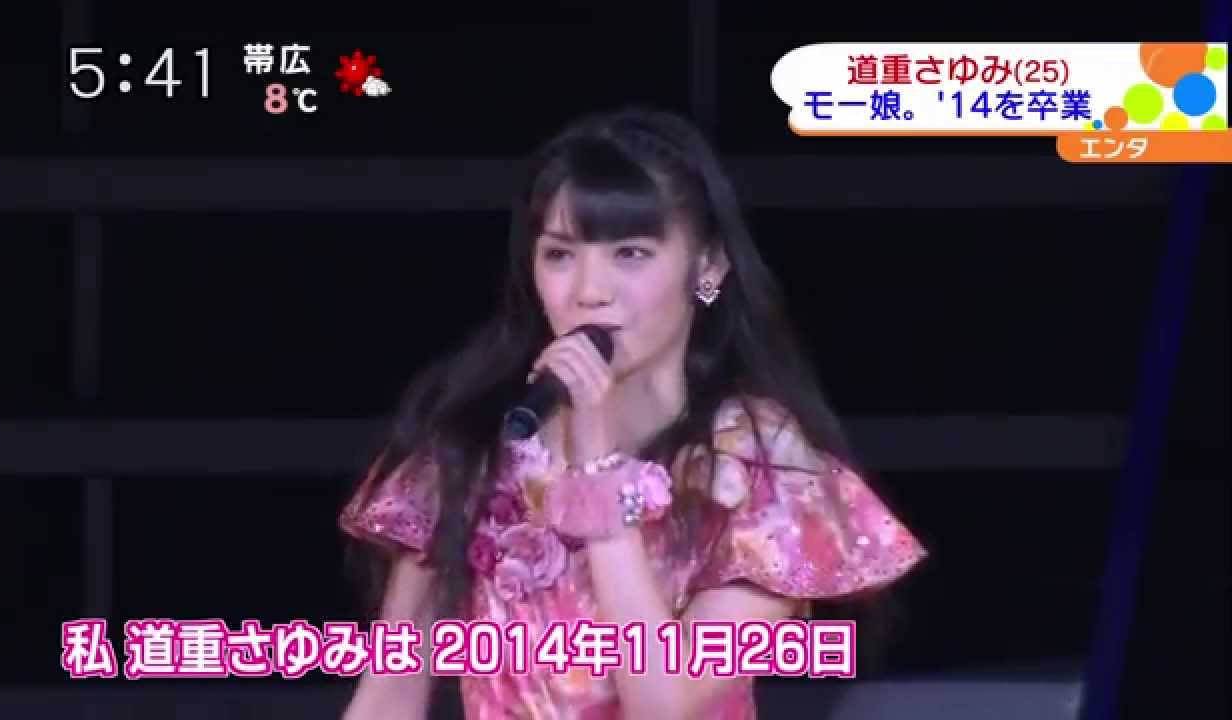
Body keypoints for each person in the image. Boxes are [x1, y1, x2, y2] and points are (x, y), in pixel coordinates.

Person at [337, 107, 927, 719]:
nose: (589, 292)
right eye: (560, 255)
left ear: (708, 266)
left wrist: (596, 471)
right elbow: (390, 693)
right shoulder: (475, 443)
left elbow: (664, 706)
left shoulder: (755, 466)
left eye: (631, 253)